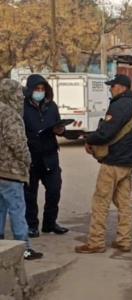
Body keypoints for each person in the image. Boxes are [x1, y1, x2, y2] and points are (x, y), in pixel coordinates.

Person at [75, 74, 132, 254]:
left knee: (101, 201)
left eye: (112, 86)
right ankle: (124, 240)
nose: (110, 89)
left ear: (121, 88)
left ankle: (96, 242)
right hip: (129, 161)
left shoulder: (119, 105)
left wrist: (89, 138)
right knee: (124, 203)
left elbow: (106, 133)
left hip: (114, 160)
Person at [0, 79, 43, 260]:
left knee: (0, 209)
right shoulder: (10, 114)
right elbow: (17, 142)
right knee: (17, 209)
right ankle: (23, 248)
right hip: (11, 171)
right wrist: (27, 160)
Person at [23, 74, 68, 238]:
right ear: (30, 90)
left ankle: (50, 223)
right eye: (37, 89)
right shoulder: (22, 107)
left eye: (43, 89)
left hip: (50, 156)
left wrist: (61, 130)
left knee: (54, 190)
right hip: (31, 157)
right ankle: (31, 225)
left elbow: (59, 125)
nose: (40, 92)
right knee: (30, 194)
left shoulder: (52, 106)